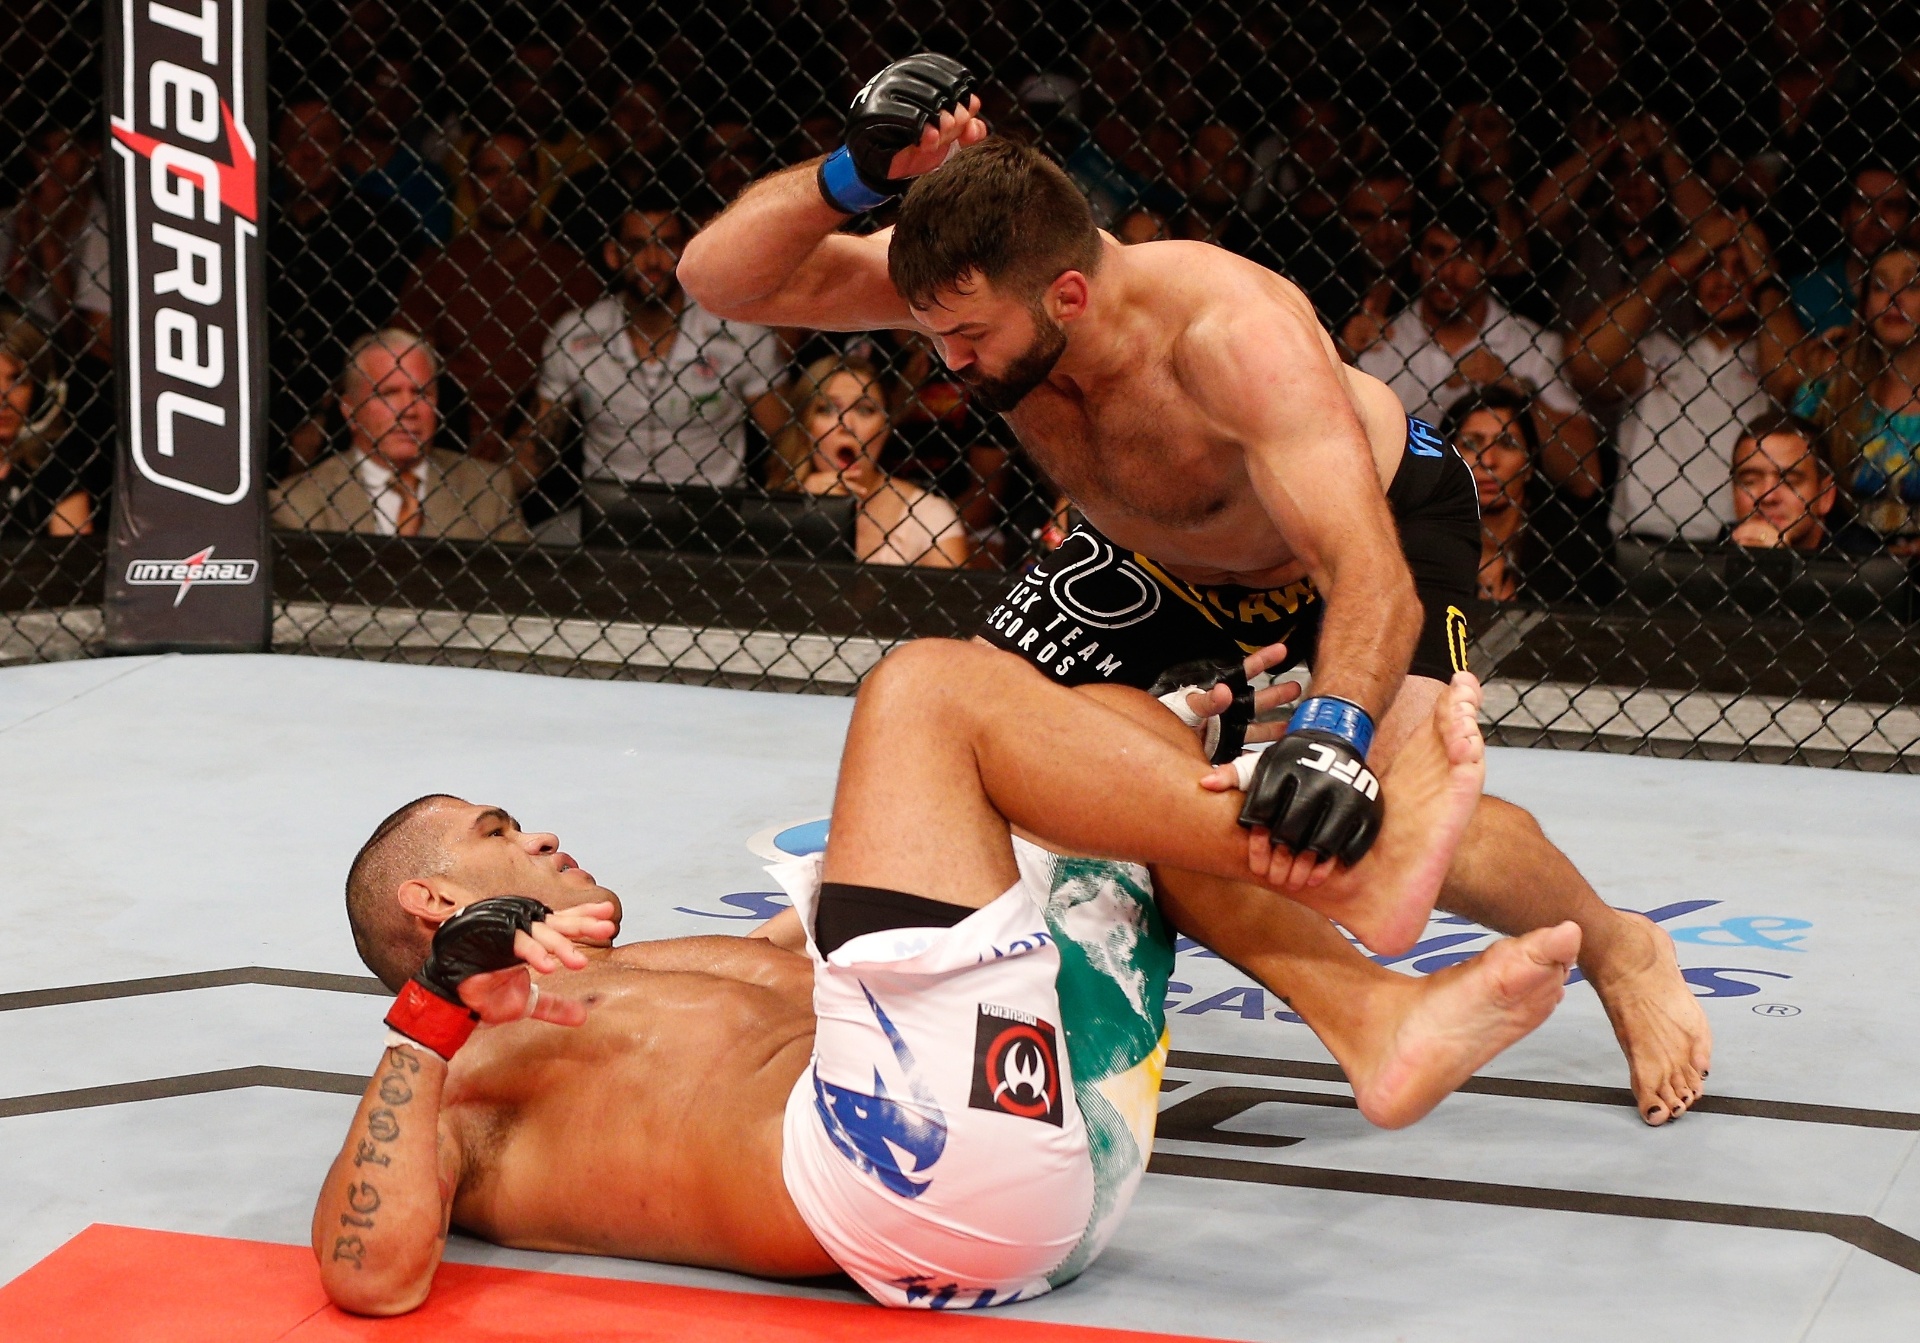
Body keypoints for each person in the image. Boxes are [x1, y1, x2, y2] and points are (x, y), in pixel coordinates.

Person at [678, 62, 1709, 1125]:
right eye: (937, 332)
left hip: (1361, 536)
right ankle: (874, 949)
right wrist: (848, 178)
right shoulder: (970, 283)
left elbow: (1368, 573)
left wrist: (1332, 734)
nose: (950, 361)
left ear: (1067, 295)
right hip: (1138, 549)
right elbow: (720, 279)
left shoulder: (1231, 337)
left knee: (1382, 811)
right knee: (981, 740)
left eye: (974, 339)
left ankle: (1621, 943)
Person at [315, 638, 1587, 1316]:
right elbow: (370, 1275)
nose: (539, 834)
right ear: (436, 902)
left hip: (1040, 1150)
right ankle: (1354, 875)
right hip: (903, 1182)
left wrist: (1129, 741)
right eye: (499, 829)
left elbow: (858, 924)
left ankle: (1373, 1022)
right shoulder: (461, 1071)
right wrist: (430, 1017)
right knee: (921, 690)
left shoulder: (636, 971)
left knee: (1118, 733)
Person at [1567, 214, 1813, 544]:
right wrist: (1675, 265)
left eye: (1742, 267)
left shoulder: (1773, 357)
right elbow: (1584, 360)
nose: (1726, 280)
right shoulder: (1656, 352)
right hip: (1643, 547)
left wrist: (1767, 278)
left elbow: (1792, 383)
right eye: (1713, 265)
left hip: (1744, 546)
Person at [524, 189, 784, 494]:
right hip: (609, 513)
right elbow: (537, 448)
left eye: (666, 244)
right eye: (637, 246)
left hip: (714, 515)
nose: (652, 260)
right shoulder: (577, 335)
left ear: (687, 252)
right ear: (613, 255)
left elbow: (787, 438)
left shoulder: (740, 333)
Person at [1351, 192, 1601, 501]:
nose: (1449, 272)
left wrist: (1509, 387)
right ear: (1416, 260)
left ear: (1489, 259)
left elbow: (1586, 477)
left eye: (1464, 255)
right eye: (1436, 253)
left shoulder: (1534, 347)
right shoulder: (1380, 346)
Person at [395, 125, 602, 465]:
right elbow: (407, 355)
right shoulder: (437, 267)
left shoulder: (569, 271)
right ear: (471, 184)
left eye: (518, 172)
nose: (505, 185)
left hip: (542, 435)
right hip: (447, 433)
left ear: (536, 183)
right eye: (492, 172)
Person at [268, 95, 426, 480]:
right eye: (296, 140)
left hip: (351, 405)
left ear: (344, 150)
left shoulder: (383, 227)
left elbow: (387, 333)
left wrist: (322, 415)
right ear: (274, 151)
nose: (308, 153)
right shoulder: (247, 226)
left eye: (320, 139)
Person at [271, 330, 530, 542]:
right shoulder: (298, 504)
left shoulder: (488, 489)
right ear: (350, 410)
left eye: (421, 394)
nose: (408, 410)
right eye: (387, 393)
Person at [1791, 243, 1920, 551]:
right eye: (1879, 287)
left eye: (1912, 285)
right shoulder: (1826, 393)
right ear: (1864, 305)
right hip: (1843, 571)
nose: (1893, 299)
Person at [791, 353, 969, 567]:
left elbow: (955, 599)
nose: (846, 424)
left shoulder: (929, 516)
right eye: (828, 409)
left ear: (885, 428)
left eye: (865, 410)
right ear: (804, 427)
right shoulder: (779, 505)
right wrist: (803, 510)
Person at [1442, 387, 1607, 604]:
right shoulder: (1417, 546)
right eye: (1472, 444)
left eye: (1507, 444)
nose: (1489, 460)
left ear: (1529, 465)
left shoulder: (1578, 550)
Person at [1787, 167, 1913, 341]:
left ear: (1913, 222)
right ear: (1845, 216)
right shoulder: (1802, 291)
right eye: (1864, 203)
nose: (1876, 216)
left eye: (1891, 206)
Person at [0, 306, 88, 536]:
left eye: (17, 380)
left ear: (39, 393)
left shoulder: (55, 473)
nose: (4, 398)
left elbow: (75, 564)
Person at [1726, 410, 1860, 553]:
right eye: (1750, 481)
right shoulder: (1722, 548)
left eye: (1788, 481)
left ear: (1825, 495)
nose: (1767, 496)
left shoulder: (1863, 559)